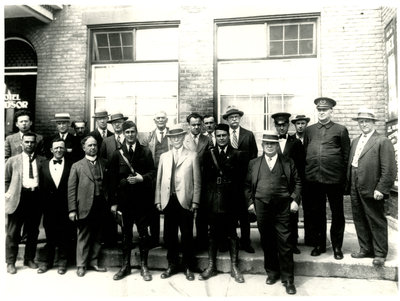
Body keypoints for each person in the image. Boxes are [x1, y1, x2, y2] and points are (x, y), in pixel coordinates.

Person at [245, 131, 301, 295]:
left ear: (277, 145)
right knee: (267, 240)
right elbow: (247, 186)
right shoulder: (254, 163)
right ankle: (272, 272)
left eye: (273, 144)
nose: (269, 146)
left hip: (283, 206)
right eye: (266, 144)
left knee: (285, 241)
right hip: (261, 206)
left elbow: (298, 182)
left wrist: (295, 200)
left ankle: (288, 279)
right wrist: (250, 203)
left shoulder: (287, 162)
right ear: (262, 146)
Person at [347, 108, 396, 267]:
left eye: (367, 121)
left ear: (373, 123)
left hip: (372, 185)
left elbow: (389, 168)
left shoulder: (382, 141)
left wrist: (381, 188)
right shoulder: (355, 141)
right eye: (361, 122)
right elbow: (353, 164)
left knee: (375, 219)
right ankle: (365, 248)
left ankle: (380, 253)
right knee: (359, 217)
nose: (364, 124)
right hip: (355, 184)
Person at [303, 97, 350, 260]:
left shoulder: (340, 130)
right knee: (317, 214)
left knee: (337, 213)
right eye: (319, 110)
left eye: (325, 110)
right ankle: (319, 244)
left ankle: (337, 246)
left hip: (334, 179)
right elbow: (305, 153)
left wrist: (344, 179)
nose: (321, 113)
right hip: (314, 179)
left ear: (331, 111)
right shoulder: (309, 130)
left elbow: (346, 156)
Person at [109, 121, 156, 281]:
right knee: (126, 235)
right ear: (123, 134)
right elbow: (112, 180)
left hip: (142, 202)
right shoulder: (117, 154)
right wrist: (114, 201)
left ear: (137, 133)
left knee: (144, 234)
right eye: (127, 132)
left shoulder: (145, 151)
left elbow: (153, 173)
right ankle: (125, 266)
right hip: (125, 202)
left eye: (132, 132)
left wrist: (141, 178)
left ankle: (144, 266)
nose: (130, 135)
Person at [198, 123, 245, 283]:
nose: (221, 138)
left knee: (232, 233)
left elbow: (241, 181)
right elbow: (204, 180)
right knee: (213, 233)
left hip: (231, 199)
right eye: (218, 136)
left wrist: (240, 203)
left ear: (228, 136)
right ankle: (211, 266)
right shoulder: (208, 154)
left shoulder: (237, 155)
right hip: (213, 200)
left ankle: (234, 266)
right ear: (215, 137)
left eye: (224, 135)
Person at [155, 124, 200, 281]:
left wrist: (195, 201)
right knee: (169, 235)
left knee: (187, 234)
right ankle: (172, 265)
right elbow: (159, 180)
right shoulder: (164, 157)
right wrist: (158, 200)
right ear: (170, 139)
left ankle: (188, 266)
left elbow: (197, 181)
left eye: (178, 137)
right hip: (169, 200)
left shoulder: (192, 155)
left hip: (185, 200)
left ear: (183, 137)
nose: (176, 139)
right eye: (172, 137)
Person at [5, 133, 46, 274]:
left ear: (36, 144)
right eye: (27, 142)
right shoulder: (12, 161)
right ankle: (11, 262)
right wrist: (8, 195)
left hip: (35, 197)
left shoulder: (42, 160)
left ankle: (29, 258)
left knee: (33, 231)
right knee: (13, 231)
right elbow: (5, 180)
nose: (29, 144)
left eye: (32, 142)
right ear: (22, 143)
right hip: (19, 198)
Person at [68, 136, 108, 277]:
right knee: (84, 235)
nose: (93, 148)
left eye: (95, 145)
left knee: (98, 235)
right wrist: (72, 209)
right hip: (84, 206)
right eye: (90, 145)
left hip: (101, 205)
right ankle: (81, 265)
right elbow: (71, 189)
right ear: (84, 148)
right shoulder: (77, 166)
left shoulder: (104, 163)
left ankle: (94, 262)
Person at [223, 105, 258, 253]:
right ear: (227, 120)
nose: (234, 119)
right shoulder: (223, 135)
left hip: (244, 180)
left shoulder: (248, 135)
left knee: (244, 213)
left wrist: (251, 177)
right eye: (231, 117)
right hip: (228, 181)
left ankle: (245, 242)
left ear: (239, 118)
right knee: (229, 212)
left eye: (236, 117)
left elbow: (254, 156)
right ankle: (231, 241)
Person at [37, 138, 75, 275]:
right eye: (56, 148)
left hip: (65, 207)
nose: (59, 150)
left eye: (61, 147)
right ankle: (47, 262)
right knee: (50, 235)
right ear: (51, 150)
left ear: (64, 149)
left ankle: (63, 262)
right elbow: (41, 186)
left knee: (65, 234)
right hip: (49, 207)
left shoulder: (72, 165)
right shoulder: (43, 165)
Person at [272, 112, 305, 254]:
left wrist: (298, 191)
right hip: (276, 185)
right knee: (276, 214)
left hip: (291, 185)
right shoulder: (271, 142)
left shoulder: (296, 143)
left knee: (292, 215)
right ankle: (277, 242)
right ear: (275, 126)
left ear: (288, 125)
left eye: (284, 125)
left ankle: (293, 243)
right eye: (278, 125)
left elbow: (301, 166)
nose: (281, 128)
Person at [141, 110, 170, 248]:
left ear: (166, 120)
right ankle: (154, 239)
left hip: (169, 175)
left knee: (169, 206)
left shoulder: (172, 135)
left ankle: (168, 239)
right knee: (153, 208)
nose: (160, 120)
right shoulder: (148, 137)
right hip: (153, 176)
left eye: (163, 118)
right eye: (158, 118)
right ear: (154, 121)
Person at [183, 112, 209, 250]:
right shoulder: (184, 140)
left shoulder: (207, 139)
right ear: (189, 126)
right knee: (187, 213)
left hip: (203, 181)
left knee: (202, 214)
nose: (197, 127)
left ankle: (201, 241)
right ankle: (188, 243)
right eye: (193, 125)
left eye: (199, 124)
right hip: (187, 181)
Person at [291, 114, 311, 245]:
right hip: (294, 180)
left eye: (303, 123)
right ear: (294, 125)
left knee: (310, 208)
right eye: (298, 123)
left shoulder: (311, 138)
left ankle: (310, 238)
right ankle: (294, 239)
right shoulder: (290, 140)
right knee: (293, 208)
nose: (300, 126)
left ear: (306, 124)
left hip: (309, 179)